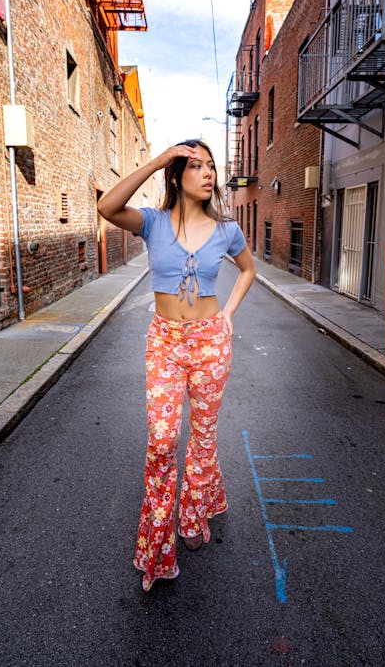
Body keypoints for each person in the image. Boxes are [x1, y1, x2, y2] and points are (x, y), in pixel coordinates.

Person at [97, 139, 256, 592]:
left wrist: (226, 315)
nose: (209, 174)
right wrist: (160, 158)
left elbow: (248, 270)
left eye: (212, 167)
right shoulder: (151, 223)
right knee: (163, 441)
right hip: (164, 342)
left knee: (203, 436)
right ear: (177, 175)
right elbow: (108, 206)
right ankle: (155, 544)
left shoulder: (227, 229)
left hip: (209, 343)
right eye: (197, 166)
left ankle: (193, 516)